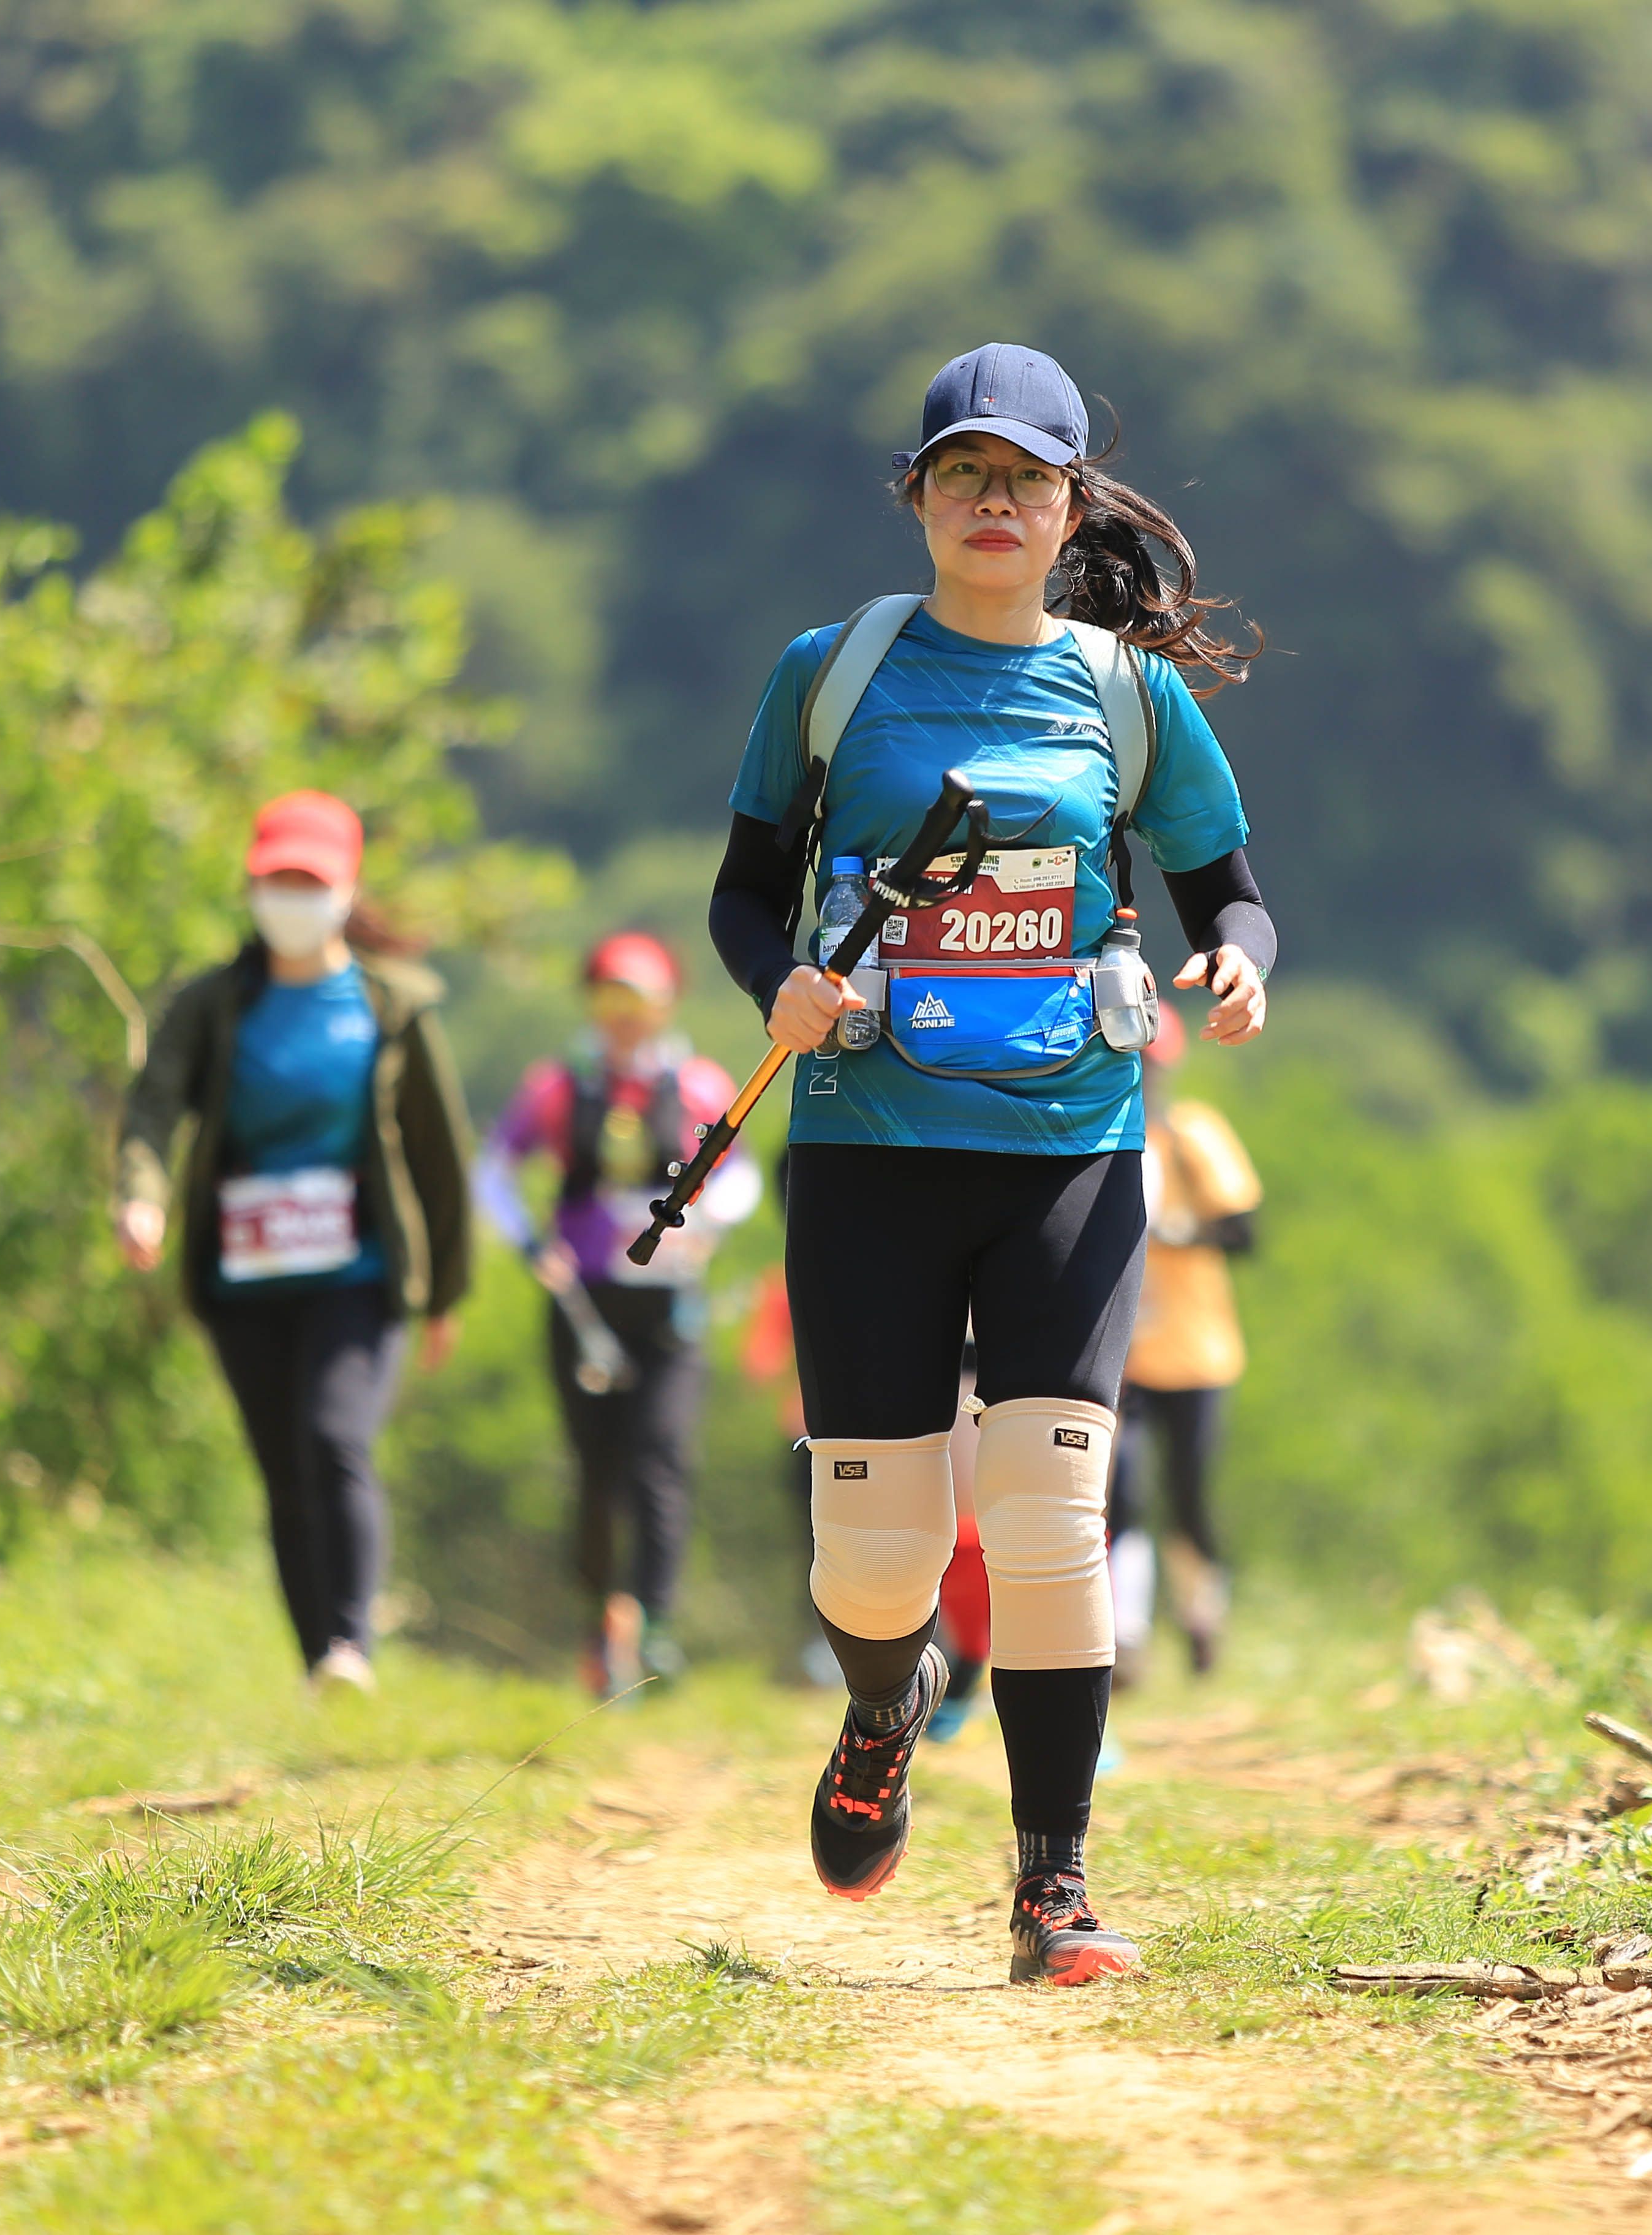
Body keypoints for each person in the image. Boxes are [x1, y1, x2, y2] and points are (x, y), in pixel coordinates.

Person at [707, 342, 1277, 1986]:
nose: (993, 502)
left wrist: (1237, 966)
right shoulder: (830, 674)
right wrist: (780, 987)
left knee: (1047, 1516)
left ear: (1067, 508)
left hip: (1071, 1153)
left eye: (1024, 479)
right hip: (870, 1149)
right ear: (917, 496)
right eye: (963, 474)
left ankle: (1054, 1891)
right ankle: (885, 1704)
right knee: (876, 1552)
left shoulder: (1126, 696)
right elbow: (745, 891)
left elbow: (1229, 893)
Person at [116, 790, 473, 1694]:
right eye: (277, 880)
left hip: (361, 1273)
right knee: (284, 1466)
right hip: (245, 1280)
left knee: (334, 1438)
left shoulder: (393, 1007)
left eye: (309, 882)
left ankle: (353, 1645)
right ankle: (321, 1668)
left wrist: (447, 1292)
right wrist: (141, 1201)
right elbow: (152, 1110)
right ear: (251, 885)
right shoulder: (211, 1005)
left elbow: (441, 1160)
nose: (291, 898)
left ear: (347, 889)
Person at [475, 932, 756, 1697]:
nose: (624, 1014)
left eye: (639, 998)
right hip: (583, 1305)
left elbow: (740, 1174)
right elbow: (494, 1171)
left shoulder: (697, 1084)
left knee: (663, 1460)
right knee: (597, 1471)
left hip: (669, 1303)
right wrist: (531, 1245)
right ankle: (602, 1628)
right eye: (609, 997)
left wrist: (710, 1224)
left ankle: (657, 1624)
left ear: (666, 1003)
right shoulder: (558, 1086)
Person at [1111, 1000, 1261, 1678]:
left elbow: (1243, 1229)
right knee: (1122, 1493)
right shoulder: (1101, 1133)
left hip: (1197, 1351)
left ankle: (1202, 1618)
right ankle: (1126, 1635)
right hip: (1124, 1354)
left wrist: (1176, 1233)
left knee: (1189, 1495)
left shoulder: (1192, 1133)